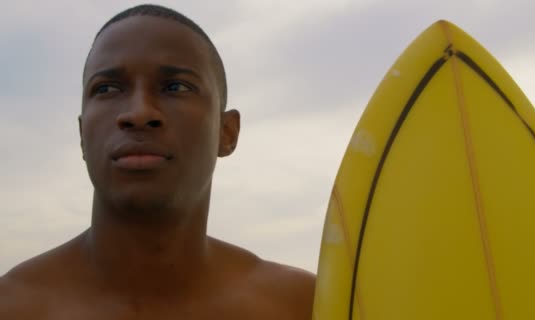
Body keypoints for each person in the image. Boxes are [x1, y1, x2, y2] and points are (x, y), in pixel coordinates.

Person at [0, 4, 316, 319]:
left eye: (176, 86)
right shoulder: (11, 306)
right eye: (107, 88)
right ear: (83, 135)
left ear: (227, 132)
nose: (139, 113)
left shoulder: (305, 306)